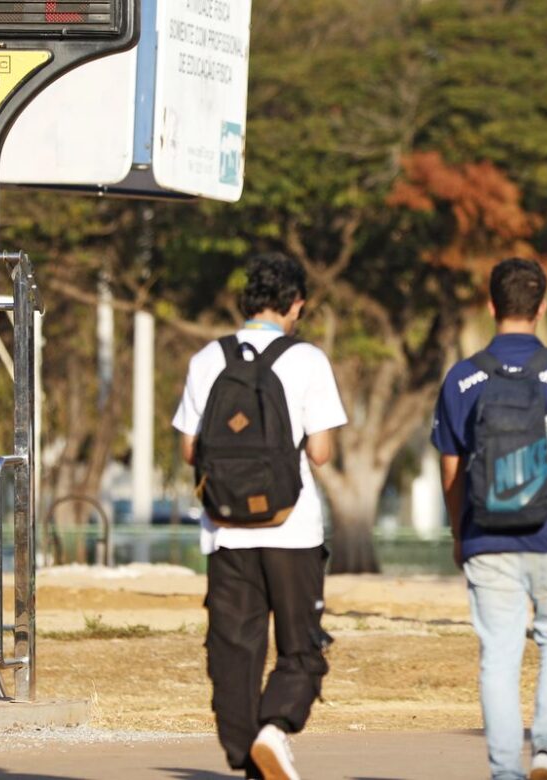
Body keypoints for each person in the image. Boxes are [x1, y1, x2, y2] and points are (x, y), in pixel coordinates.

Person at [173, 252, 348, 780]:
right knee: (302, 647)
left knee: (233, 649)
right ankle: (275, 729)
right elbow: (319, 453)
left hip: (226, 531)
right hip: (291, 528)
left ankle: (245, 749)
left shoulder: (208, 359)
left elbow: (189, 451)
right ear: (295, 304)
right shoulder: (307, 359)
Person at [432, 258, 547, 780]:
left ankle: (506, 771)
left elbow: (451, 464)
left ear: (490, 306)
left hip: (487, 535)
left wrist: (459, 532)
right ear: (542, 307)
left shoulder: (463, 378)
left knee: (499, 656)